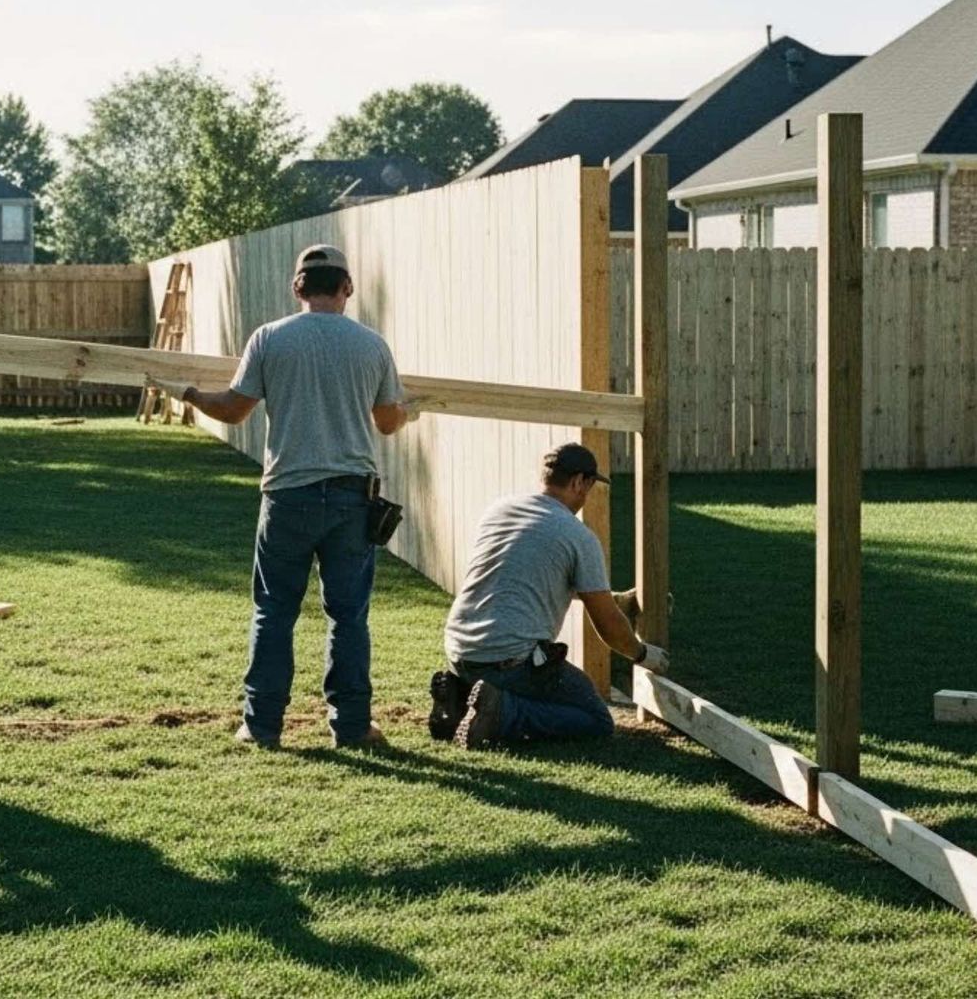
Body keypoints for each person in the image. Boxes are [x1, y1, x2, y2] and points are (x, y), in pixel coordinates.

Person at [150, 244, 415, 749]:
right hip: (350, 499)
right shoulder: (372, 346)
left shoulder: (270, 338)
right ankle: (353, 727)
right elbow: (386, 422)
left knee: (274, 612)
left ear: (298, 288)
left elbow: (233, 410)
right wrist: (407, 411)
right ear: (347, 287)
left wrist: (188, 394)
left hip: (288, 495)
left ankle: (261, 726)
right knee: (348, 615)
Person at [432, 443, 670, 749]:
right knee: (595, 718)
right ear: (578, 482)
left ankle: (463, 698)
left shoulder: (500, 511)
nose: (587, 496)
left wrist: (617, 600)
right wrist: (643, 654)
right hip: (507, 660)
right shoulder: (577, 536)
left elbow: (529, 578)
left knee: (518, 679)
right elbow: (608, 625)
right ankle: (502, 714)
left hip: (459, 651)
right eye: (589, 486)